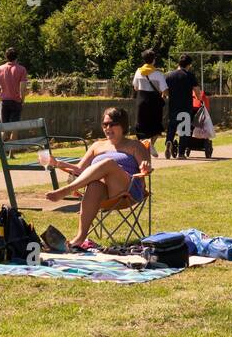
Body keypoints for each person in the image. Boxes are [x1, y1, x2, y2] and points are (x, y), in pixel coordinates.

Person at [44, 107, 152, 249]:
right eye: (104, 124)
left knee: (108, 163)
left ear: (123, 125)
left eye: (112, 124)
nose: (107, 128)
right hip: (104, 193)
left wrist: (145, 166)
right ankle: (79, 238)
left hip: (128, 190)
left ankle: (67, 190)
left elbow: (146, 167)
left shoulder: (135, 145)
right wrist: (56, 163)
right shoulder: (97, 146)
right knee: (94, 185)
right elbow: (79, 170)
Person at [164, 54, 199, 159]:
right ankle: (181, 154)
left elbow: (165, 92)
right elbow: (197, 91)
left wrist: (171, 95)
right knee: (184, 129)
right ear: (189, 65)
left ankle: (169, 141)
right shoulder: (190, 76)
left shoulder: (169, 76)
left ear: (178, 63)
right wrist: (199, 98)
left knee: (172, 126)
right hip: (186, 106)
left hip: (173, 106)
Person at [132, 49, 168, 142]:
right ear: (154, 60)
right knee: (156, 126)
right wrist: (164, 95)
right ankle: (151, 144)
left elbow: (135, 87)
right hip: (154, 102)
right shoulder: (158, 73)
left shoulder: (138, 71)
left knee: (141, 125)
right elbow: (164, 90)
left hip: (141, 100)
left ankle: (144, 144)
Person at [0, 48, 28, 124]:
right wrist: (22, 100)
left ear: (6, 57)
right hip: (16, 101)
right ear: (17, 57)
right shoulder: (22, 69)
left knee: (4, 127)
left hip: (4, 101)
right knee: (14, 128)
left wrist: (0, 98)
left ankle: (3, 137)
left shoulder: (0, 69)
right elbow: (23, 88)